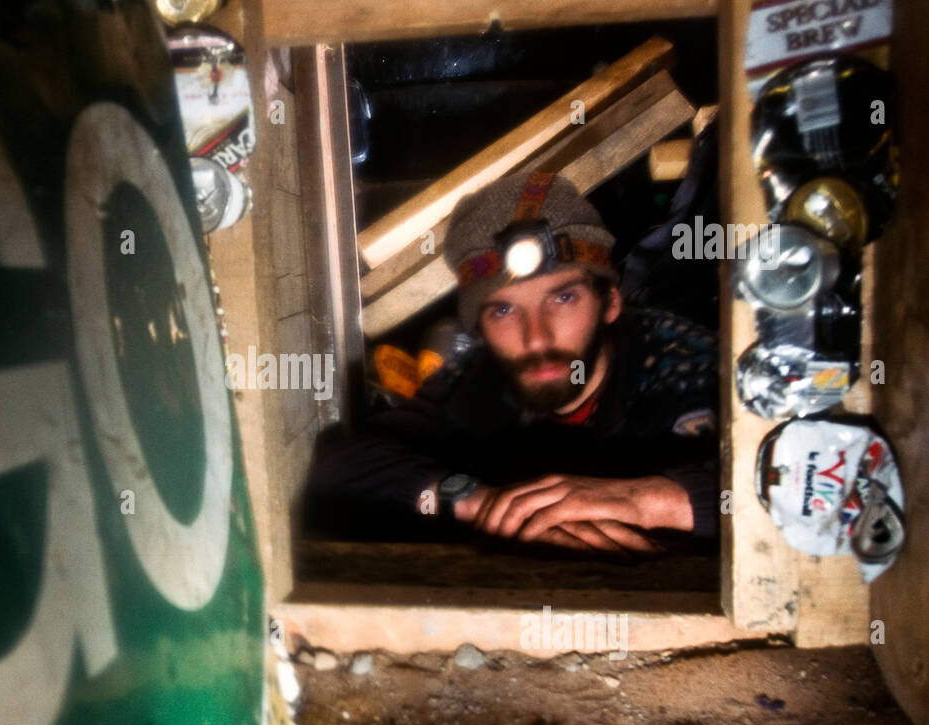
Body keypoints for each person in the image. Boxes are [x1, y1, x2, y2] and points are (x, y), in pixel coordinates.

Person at [305, 171, 719, 555]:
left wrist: (653, 502)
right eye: (503, 311)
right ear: (480, 331)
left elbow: (777, 491)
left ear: (610, 303)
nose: (535, 337)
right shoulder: (476, 381)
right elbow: (340, 467)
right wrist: (477, 501)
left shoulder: (691, 368)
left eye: (562, 298)